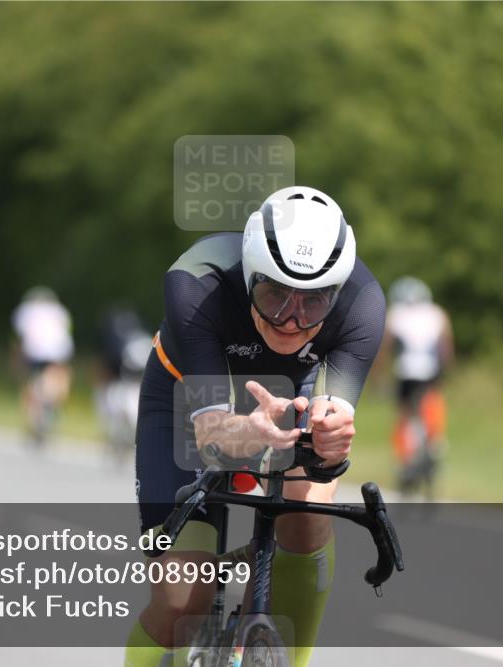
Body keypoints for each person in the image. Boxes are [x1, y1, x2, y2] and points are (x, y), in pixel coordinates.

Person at [125, 186, 386, 667]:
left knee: (307, 519)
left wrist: (330, 437)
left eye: (313, 303)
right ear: (249, 275)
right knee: (184, 597)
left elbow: (334, 425)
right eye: (274, 295)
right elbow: (211, 435)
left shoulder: (363, 302)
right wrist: (251, 431)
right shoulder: (195, 283)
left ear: (338, 290)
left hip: (286, 402)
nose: (291, 319)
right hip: (186, 402)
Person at [383, 276, 454, 494]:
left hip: (406, 373)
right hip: (431, 372)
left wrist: (379, 375)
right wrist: (445, 373)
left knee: (405, 415)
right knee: (432, 407)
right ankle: (435, 445)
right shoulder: (438, 314)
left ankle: (406, 459)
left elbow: (385, 348)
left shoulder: (396, 314)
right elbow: (446, 348)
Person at [12, 286, 74, 444]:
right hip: (59, 350)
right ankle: (52, 406)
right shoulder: (59, 310)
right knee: (57, 379)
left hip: (35, 350)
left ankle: (35, 417)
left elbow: (21, 336)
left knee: (30, 384)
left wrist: (17, 360)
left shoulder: (25, 310)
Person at [96, 308, 154, 459]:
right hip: (137, 384)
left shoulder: (116, 341)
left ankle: (120, 438)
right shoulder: (144, 339)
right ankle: (126, 439)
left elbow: (108, 369)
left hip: (126, 383)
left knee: (116, 409)